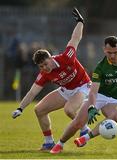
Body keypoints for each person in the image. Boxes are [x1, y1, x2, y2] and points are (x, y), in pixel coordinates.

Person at [12, 8, 91, 151]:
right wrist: (20, 108)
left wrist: (80, 22)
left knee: (69, 110)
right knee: (39, 110)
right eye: (41, 66)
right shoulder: (44, 74)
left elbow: (75, 38)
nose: (44, 68)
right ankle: (49, 142)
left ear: (50, 58)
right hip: (66, 90)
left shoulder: (66, 57)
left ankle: (85, 129)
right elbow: (32, 93)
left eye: (45, 64)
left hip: (83, 86)